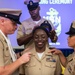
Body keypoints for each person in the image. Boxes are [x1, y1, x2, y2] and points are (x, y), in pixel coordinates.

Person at [0, 8, 31, 75]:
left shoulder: (5, 37)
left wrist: (20, 54)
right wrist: (21, 60)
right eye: (13, 23)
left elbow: (8, 60)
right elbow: (1, 72)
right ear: (2, 21)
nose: (16, 27)